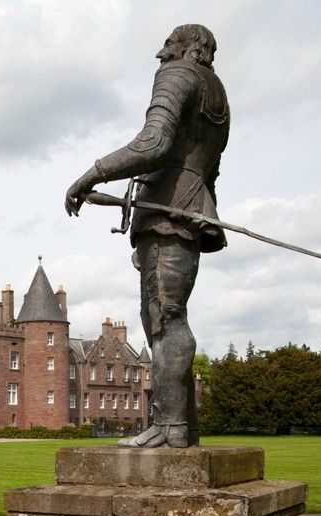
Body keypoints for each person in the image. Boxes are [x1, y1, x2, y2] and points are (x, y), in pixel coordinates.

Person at [64, 23, 229, 448]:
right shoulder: (219, 94)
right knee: (170, 317)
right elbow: (210, 172)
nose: (161, 54)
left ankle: (169, 426)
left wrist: (92, 173)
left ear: (188, 49)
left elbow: (153, 142)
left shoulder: (178, 77)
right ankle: (184, 428)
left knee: (164, 318)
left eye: (169, 46)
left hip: (167, 213)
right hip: (190, 209)